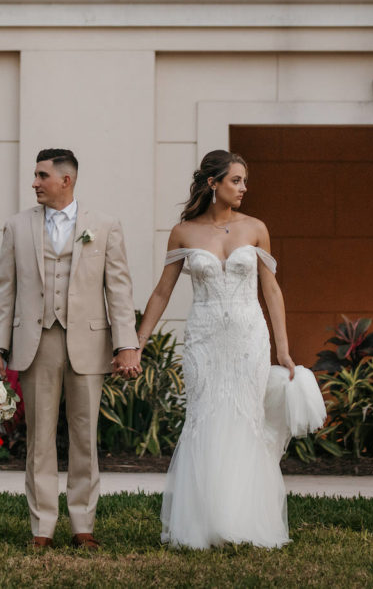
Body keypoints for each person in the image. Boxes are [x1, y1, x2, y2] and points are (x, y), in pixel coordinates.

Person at [136, 149, 324, 549]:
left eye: (244, 181)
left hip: (247, 338)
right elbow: (162, 291)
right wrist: (138, 343)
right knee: (205, 419)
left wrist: (284, 349)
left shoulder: (256, 228)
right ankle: (203, 523)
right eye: (236, 180)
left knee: (245, 418)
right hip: (204, 338)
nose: (243, 188)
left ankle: (246, 521)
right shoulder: (183, 232)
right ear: (213, 183)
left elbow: (271, 289)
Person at [0, 148, 141, 551]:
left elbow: (119, 290)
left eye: (41, 176)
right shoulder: (17, 226)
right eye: (35, 176)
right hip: (37, 343)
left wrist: (126, 344)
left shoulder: (105, 226)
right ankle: (42, 528)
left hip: (88, 341)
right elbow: (6, 290)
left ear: (65, 180)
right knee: (39, 437)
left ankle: (83, 525)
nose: (34, 183)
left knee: (84, 436)